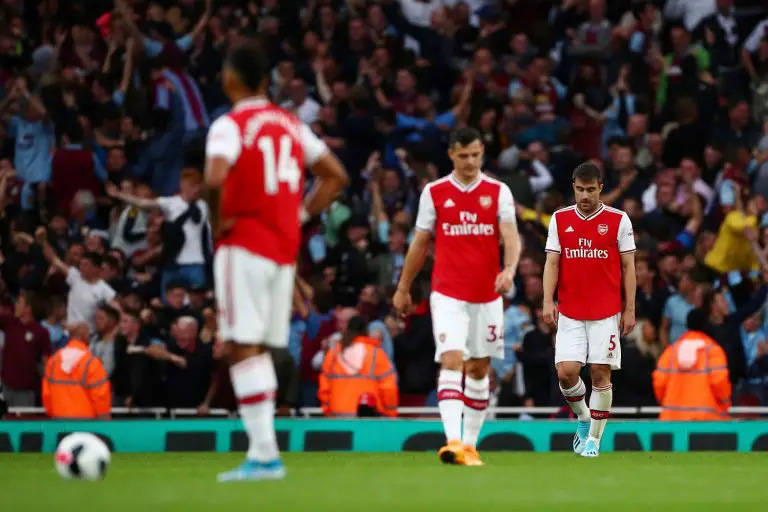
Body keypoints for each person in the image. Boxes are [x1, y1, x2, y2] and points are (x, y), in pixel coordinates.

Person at [203, 39, 348, 482]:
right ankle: (264, 454)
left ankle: (264, 456)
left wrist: (218, 222)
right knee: (259, 347)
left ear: (229, 78)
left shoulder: (230, 124)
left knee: (241, 344)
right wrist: (299, 214)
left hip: (243, 243)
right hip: (283, 250)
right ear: (266, 80)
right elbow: (336, 176)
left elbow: (214, 179)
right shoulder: (291, 124)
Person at [393, 127, 521, 466]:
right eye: (463, 156)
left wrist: (509, 270)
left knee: (478, 369)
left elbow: (511, 236)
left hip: (487, 295)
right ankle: (451, 442)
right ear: (451, 154)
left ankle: (470, 445)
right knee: (451, 359)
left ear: (482, 154)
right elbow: (420, 243)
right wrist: (403, 287)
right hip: (448, 293)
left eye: (475, 155)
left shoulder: (498, 191)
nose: (470, 162)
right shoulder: (434, 192)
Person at [542, 161, 636, 458]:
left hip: (606, 312)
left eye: (591, 190)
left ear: (600, 189)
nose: (585, 195)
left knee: (599, 372)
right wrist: (547, 300)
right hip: (570, 310)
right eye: (580, 189)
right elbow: (552, 262)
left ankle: (594, 440)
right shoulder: (560, 219)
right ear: (573, 188)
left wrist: (629, 309)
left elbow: (629, 267)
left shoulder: (618, 220)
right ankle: (583, 417)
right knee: (566, 373)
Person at [652, 309, 731, 420]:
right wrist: (725, 404)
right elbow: (719, 382)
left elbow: (660, 381)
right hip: (707, 419)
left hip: (672, 419)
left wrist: (666, 401)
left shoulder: (671, 351)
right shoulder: (712, 351)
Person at [318, 315, 398, 417]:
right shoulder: (377, 354)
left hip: (337, 417)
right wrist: (390, 412)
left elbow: (324, 387)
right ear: (366, 331)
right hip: (369, 418)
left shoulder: (333, 354)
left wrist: (327, 410)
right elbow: (388, 387)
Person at [41, 322, 111, 419]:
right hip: (86, 422)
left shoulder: (53, 362)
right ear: (86, 337)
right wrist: (104, 418)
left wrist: (53, 412)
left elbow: (47, 394)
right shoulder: (91, 363)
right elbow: (100, 396)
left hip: (59, 421)